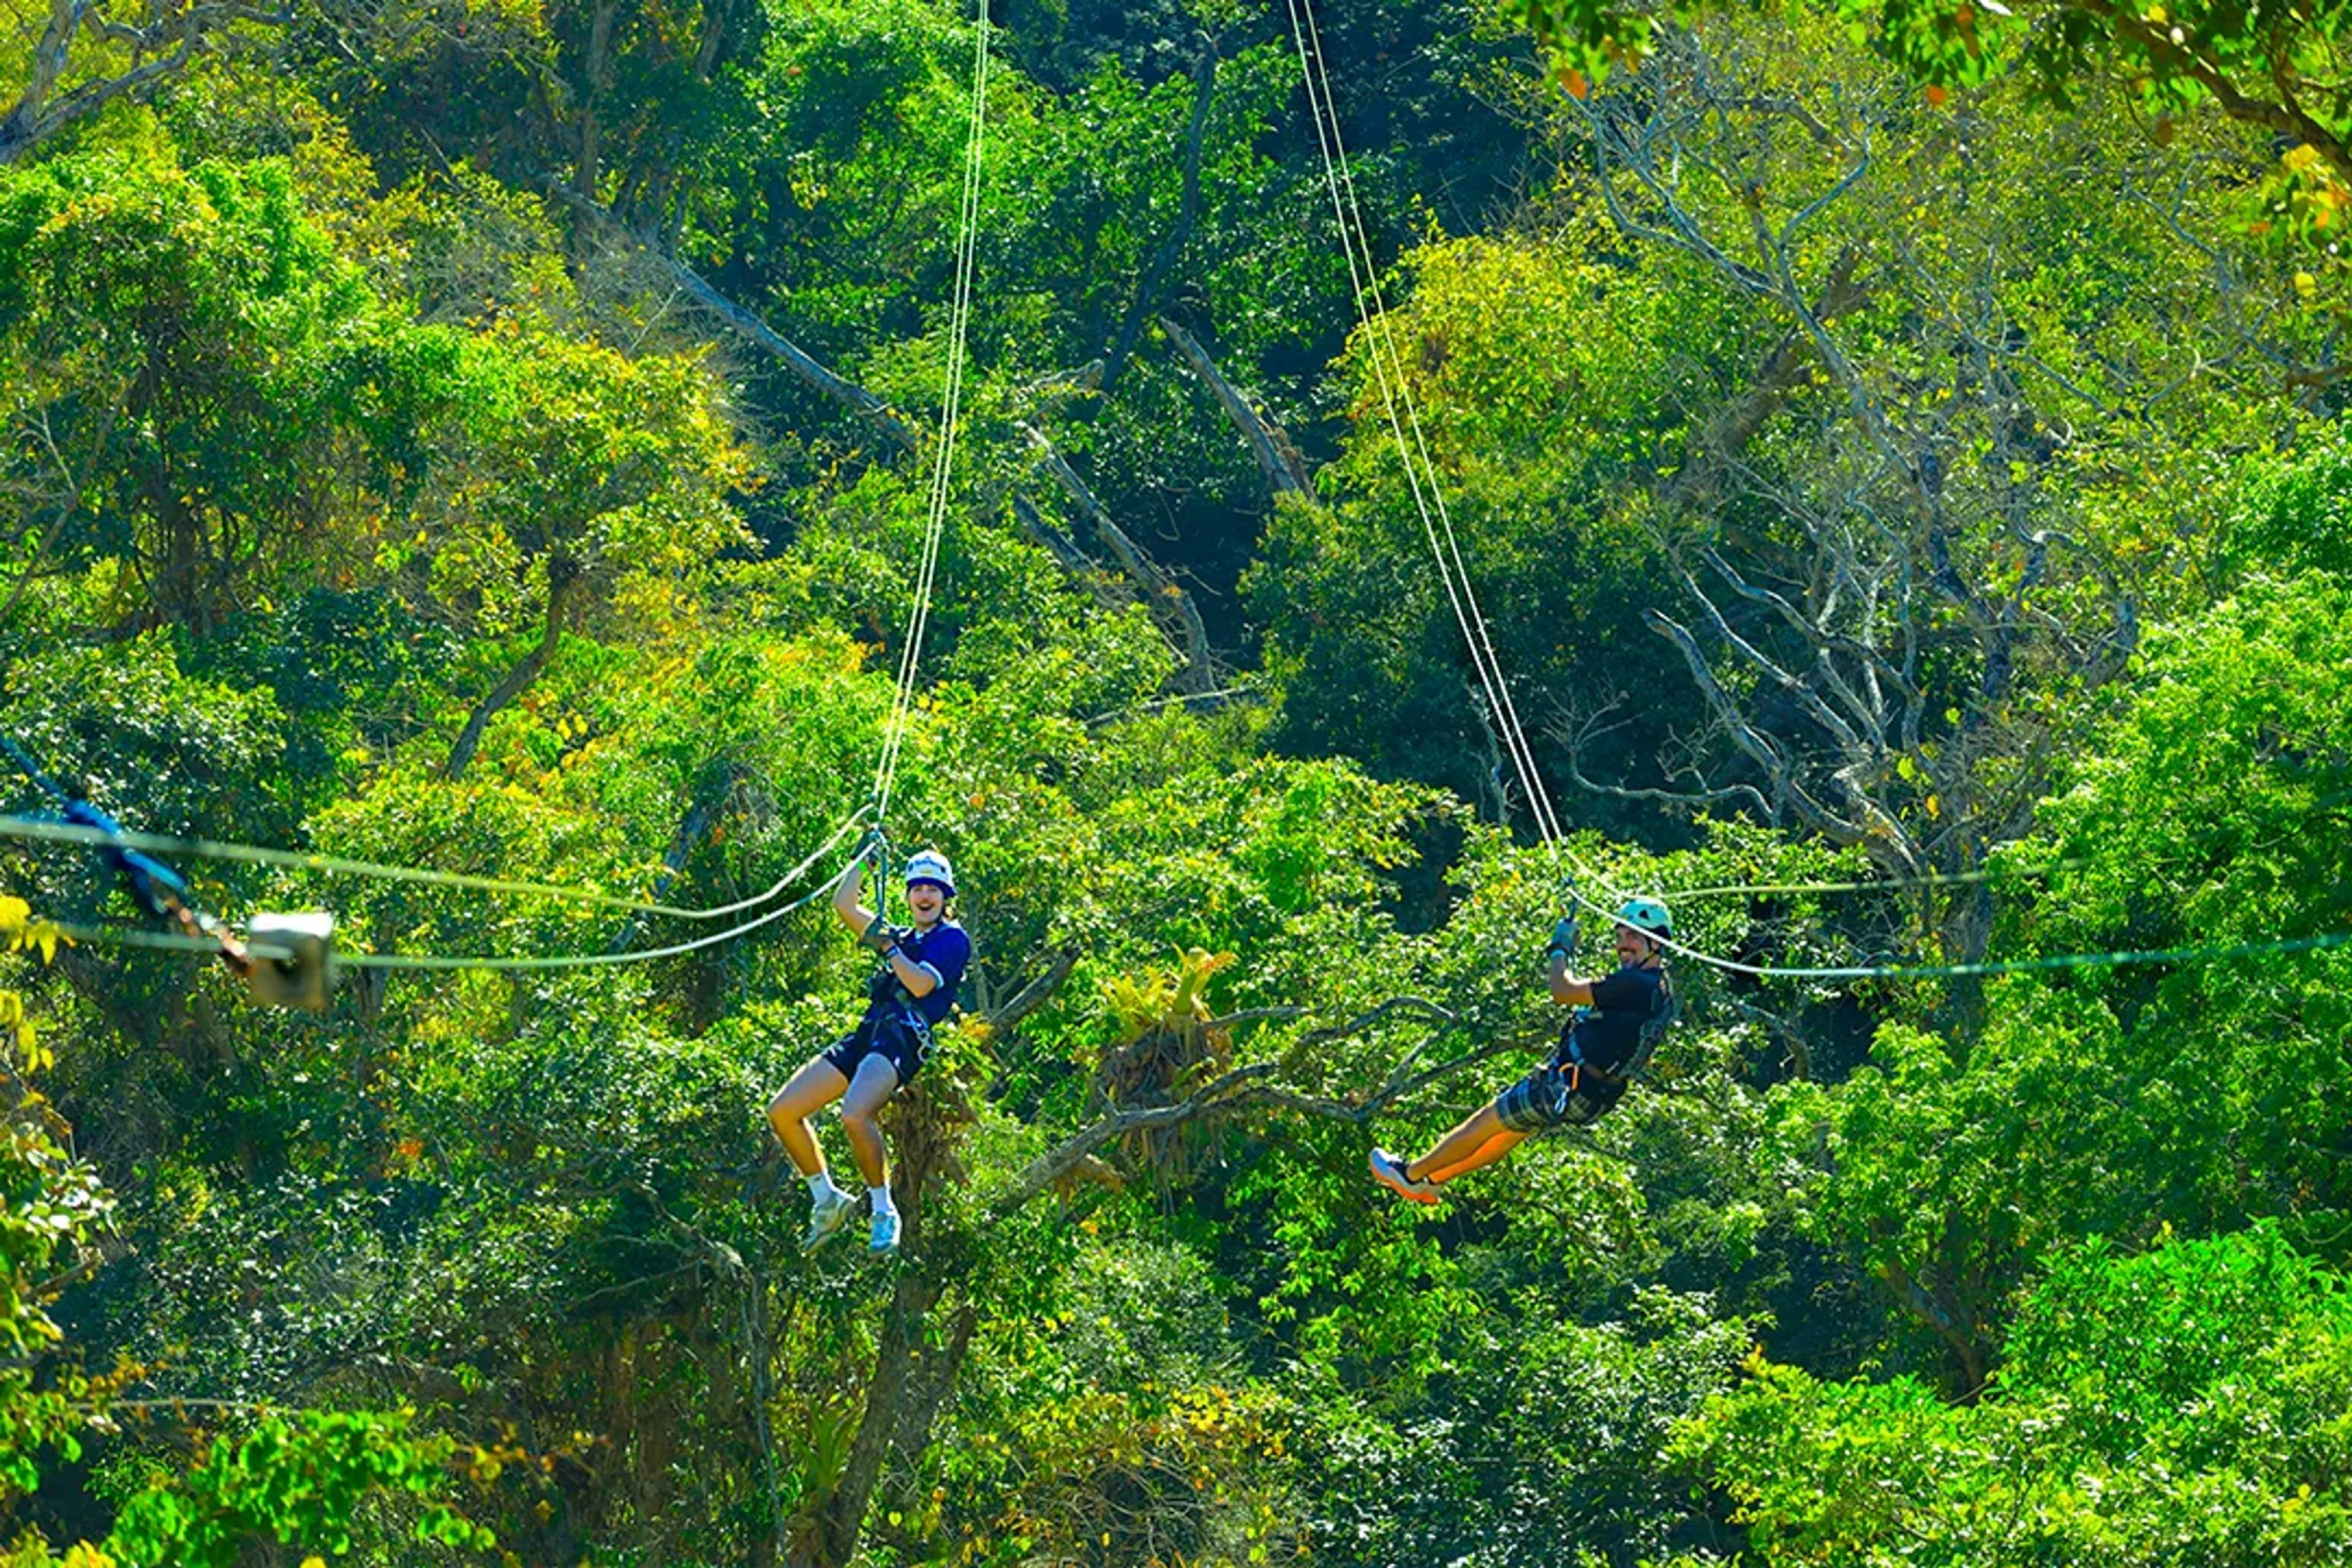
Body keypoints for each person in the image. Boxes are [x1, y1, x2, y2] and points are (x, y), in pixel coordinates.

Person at [1369, 897, 1677, 1202]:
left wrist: (1560, 949)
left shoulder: (1635, 984)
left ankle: (1410, 1175)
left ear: (1657, 943)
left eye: (1633, 936)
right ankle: (1434, 1181)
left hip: (1566, 1085)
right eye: (1620, 936)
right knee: (1510, 1132)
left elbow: (1562, 990)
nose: (1623, 945)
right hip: (1592, 1096)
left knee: (1486, 1122)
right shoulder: (1661, 987)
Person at [766, 842, 972, 1256]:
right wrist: (865, 862)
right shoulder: (899, 935)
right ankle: (826, 1198)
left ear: (945, 897)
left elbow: (920, 985)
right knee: (783, 1112)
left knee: (854, 1113)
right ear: (909, 895)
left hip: (903, 1038)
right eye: (918, 889)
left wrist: (889, 948)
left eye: (933, 890)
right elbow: (844, 905)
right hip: (868, 1034)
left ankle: (883, 1209)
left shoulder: (952, 939)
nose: (925, 896)